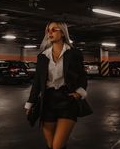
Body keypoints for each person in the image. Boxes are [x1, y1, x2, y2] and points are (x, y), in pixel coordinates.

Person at [24, 21, 88, 149]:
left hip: (67, 100)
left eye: (54, 30)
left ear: (63, 33)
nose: (50, 33)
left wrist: (78, 93)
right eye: (48, 30)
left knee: (57, 146)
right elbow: (37, 82)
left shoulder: (74, 53)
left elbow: (82, 76)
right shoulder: (42, 56)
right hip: (47, 101)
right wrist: (30, 104)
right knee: (51, 145)